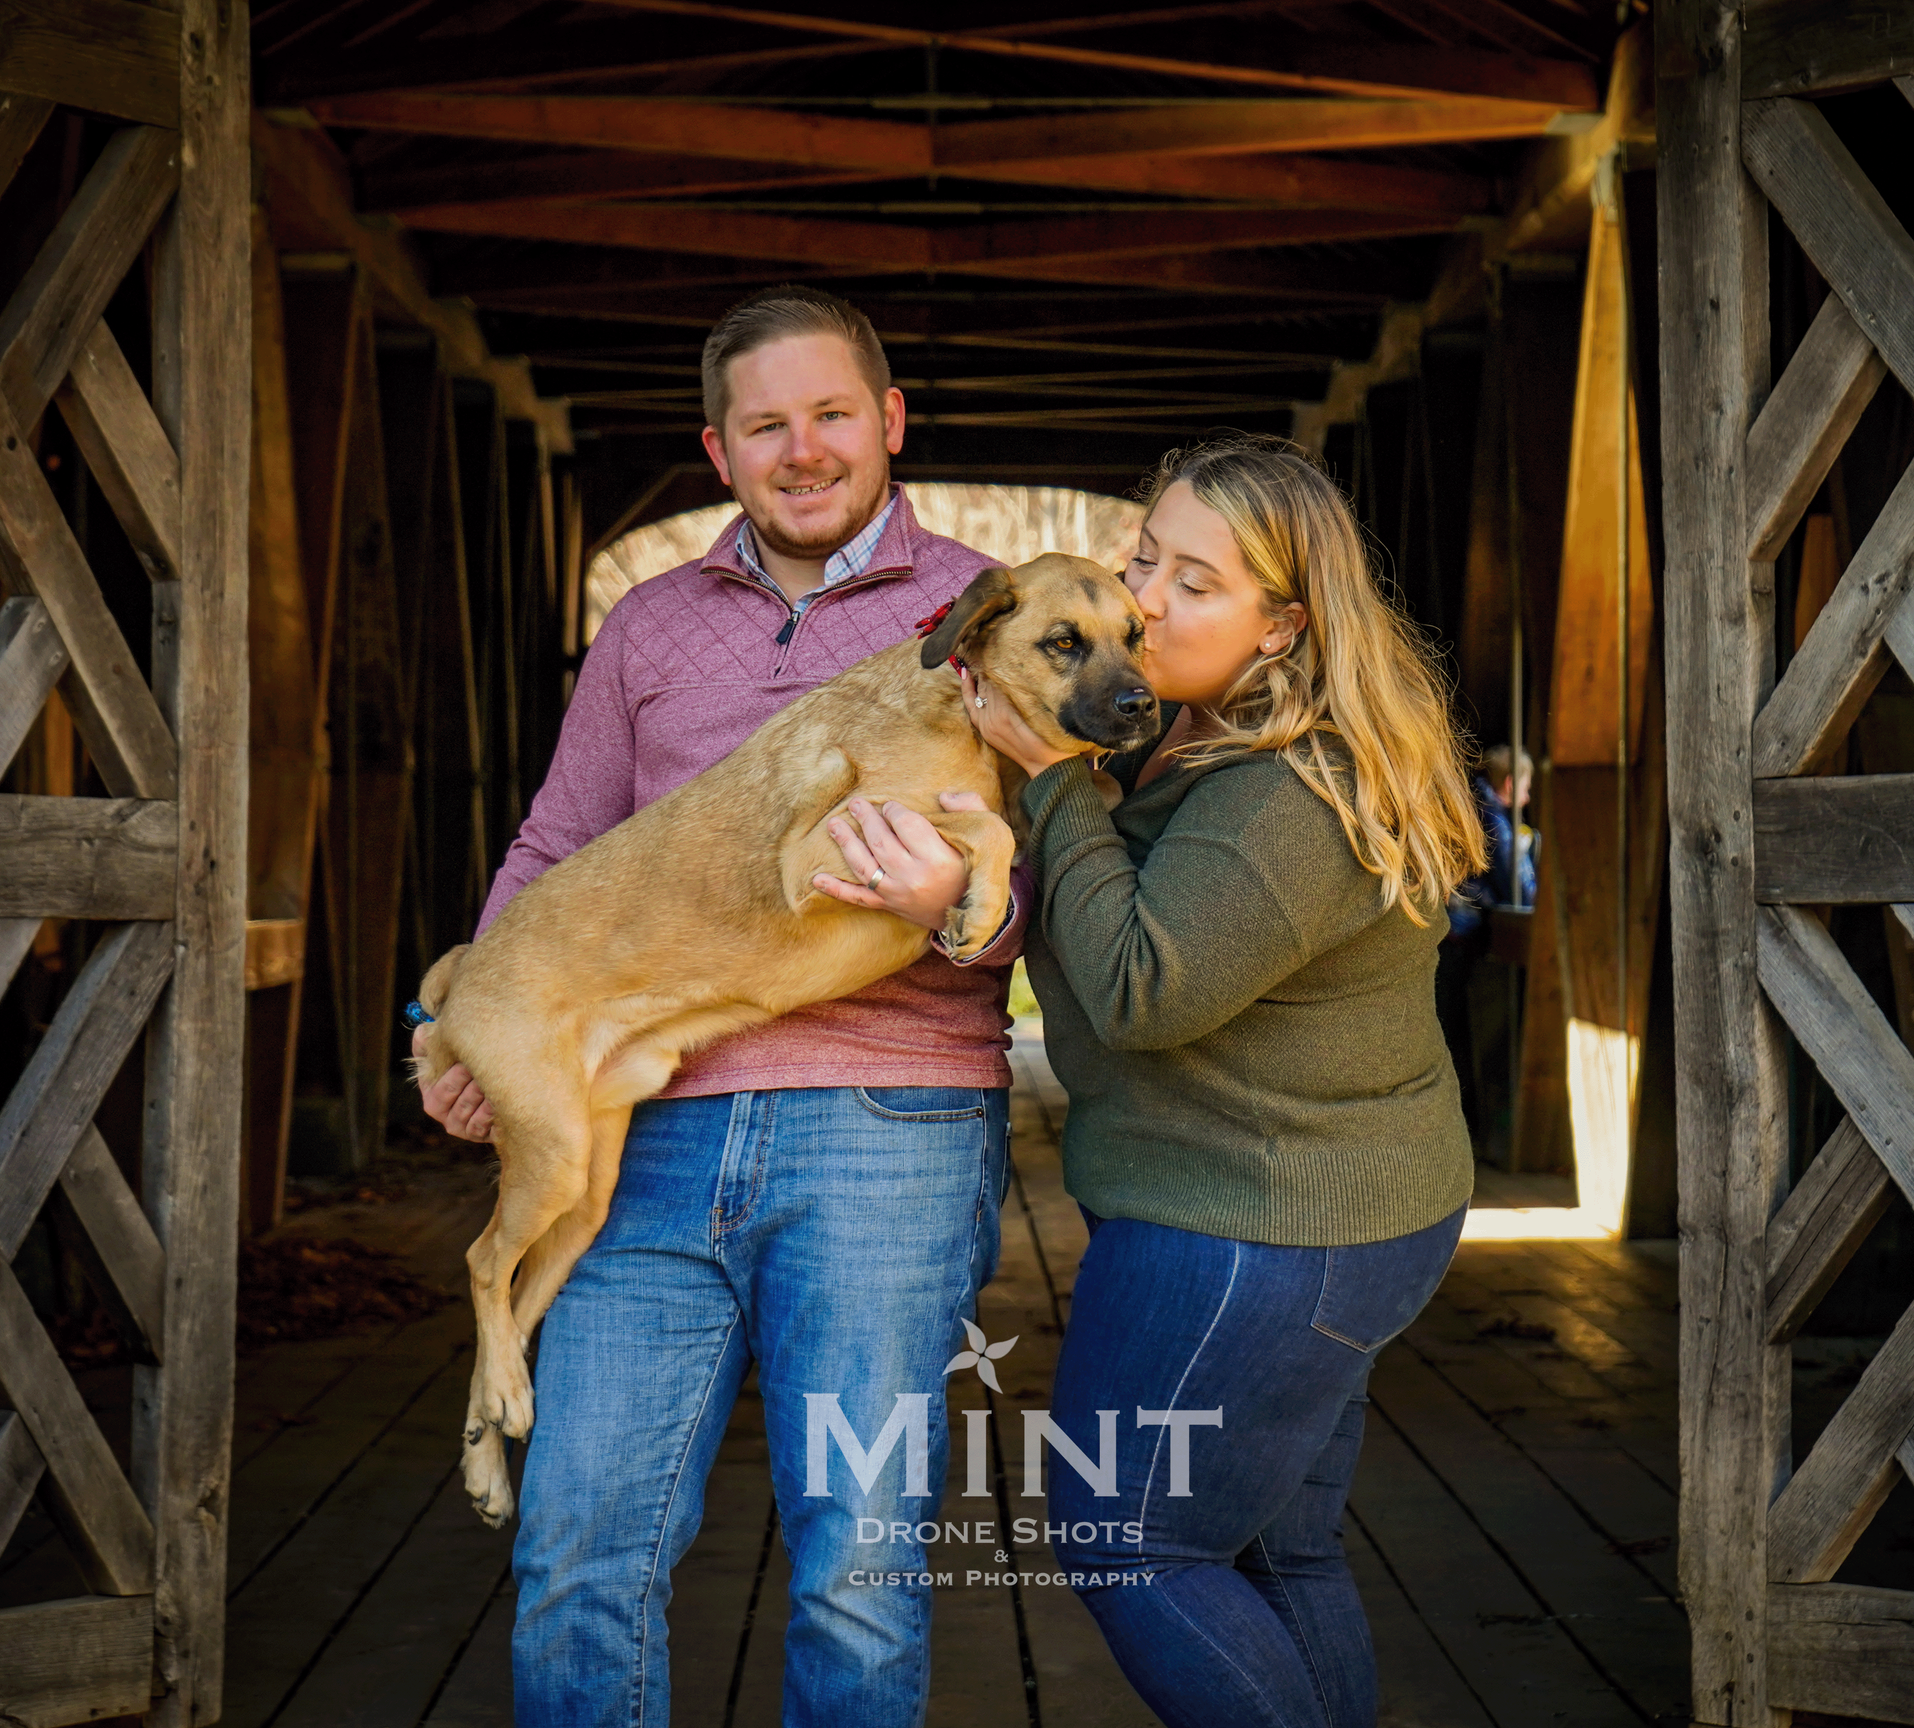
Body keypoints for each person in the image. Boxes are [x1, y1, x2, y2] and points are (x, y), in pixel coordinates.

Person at [414, 284, 1026, 1728]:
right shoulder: (647, 626)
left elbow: (1052, 892)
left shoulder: (994, 610)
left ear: (887, 421)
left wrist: (955, 901)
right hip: (648, 1120)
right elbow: (557, 848)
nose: (802, 450)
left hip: (893, 1125)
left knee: (861, 1572)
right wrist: (460, 1032)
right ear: (720, 449)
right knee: (579, 1550)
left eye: (829, 415)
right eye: (767, 426)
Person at [938, 435, 1484, 1728]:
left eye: (1196, 581)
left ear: (1284, 624)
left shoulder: (1293, 789)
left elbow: (1142, 987)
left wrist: (1052, 774)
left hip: (1261, 1232)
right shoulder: (1203, 744)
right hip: (1323, 1216)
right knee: (1278, 1553)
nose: (1149, 598)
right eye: (1145, 561)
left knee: (1129, 1543)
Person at [1440, 743, 1534, 1131]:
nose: (1528, 798)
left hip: (1447, 928)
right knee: (1460, 1035)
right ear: (1510, 784)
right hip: (1463, 933)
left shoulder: (1467, 804)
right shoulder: (1495, 821)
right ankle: (1471, 1126)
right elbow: (1520, 889)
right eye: (1527, 788)